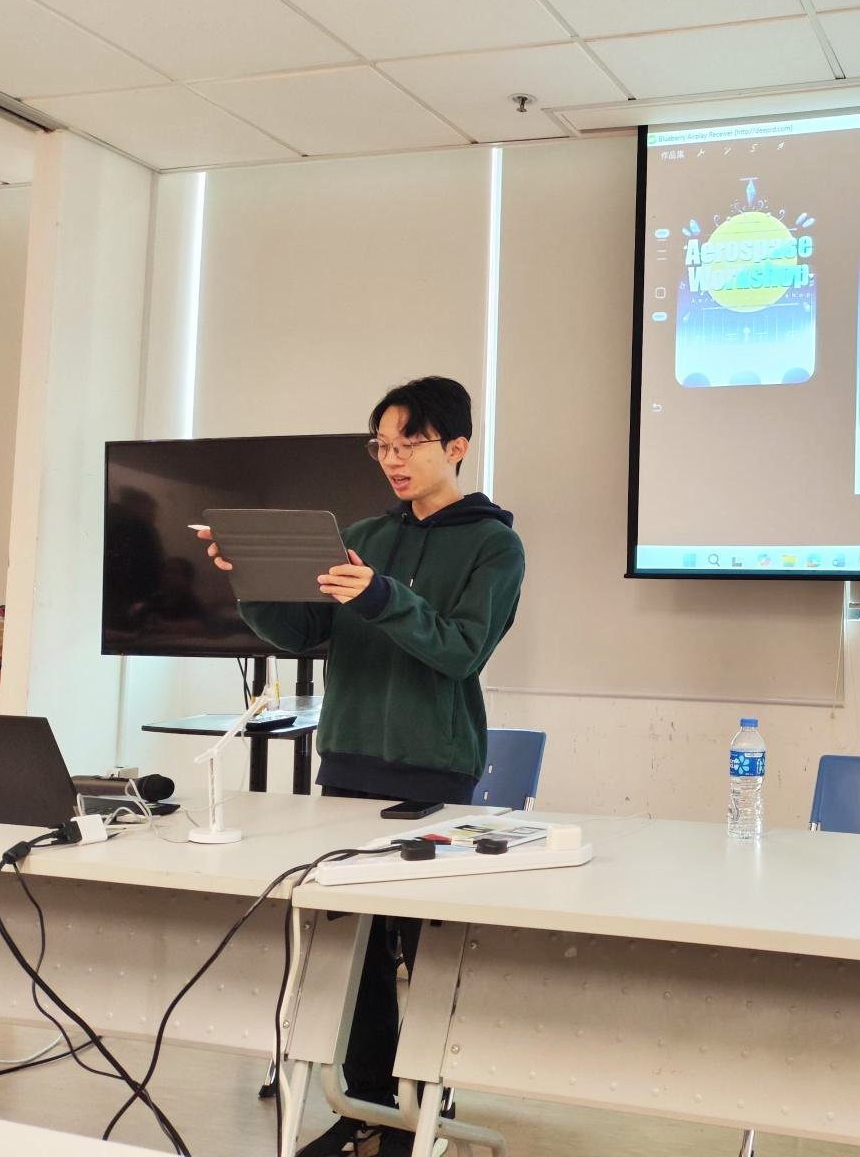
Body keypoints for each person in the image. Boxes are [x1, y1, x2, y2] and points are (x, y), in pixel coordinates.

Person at [198, 376, 524, 1157]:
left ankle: (429, 1110)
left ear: (456, 446)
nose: (392, 459)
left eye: (408, 443)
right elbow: (300, 632)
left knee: (428, 954)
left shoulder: (494, 545)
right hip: (345, 762)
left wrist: (382, 596)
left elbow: (461, 649)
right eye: (381, 446)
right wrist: (250, 577)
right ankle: (367, 1108)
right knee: (355, 957)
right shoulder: (366, 535)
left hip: (431, 771)